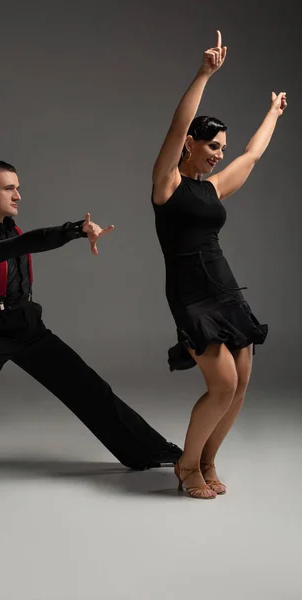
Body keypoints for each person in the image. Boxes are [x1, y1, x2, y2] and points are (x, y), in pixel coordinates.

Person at [0, 160, 182, 493]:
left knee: (91, 389)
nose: (19, 196)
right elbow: (23, 245)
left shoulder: (8, 227)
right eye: (9, 188)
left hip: (30, 328)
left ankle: (150, 450)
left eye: (18, 187)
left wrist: (78, 230)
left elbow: (21, 243)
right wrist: (73, 230)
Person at [151, 31, 286, 499]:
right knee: (222, 383)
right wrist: (205, 73)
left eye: (221, 148)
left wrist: (273, 113)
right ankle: (187, 467)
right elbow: (176, 125)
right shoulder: (167, 184)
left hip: (226, 288)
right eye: (212, 146)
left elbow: (252, 154)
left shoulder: (212, 189)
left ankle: (207, 461)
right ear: (192, 144)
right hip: (190, 294)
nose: (219, 154)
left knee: (242, 383)